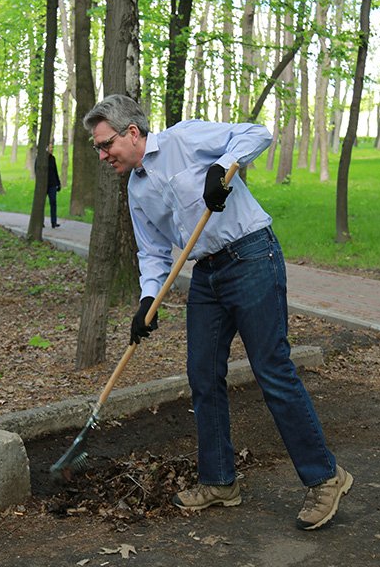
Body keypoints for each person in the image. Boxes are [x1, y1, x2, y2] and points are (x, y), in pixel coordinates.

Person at [83, 94, 352, 531]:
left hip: (251, 257)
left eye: (105, 144)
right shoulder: (136, 188)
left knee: (272, 369)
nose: (101, 154)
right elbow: (151, 253)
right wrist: (147, 300)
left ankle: (325, 476)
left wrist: (219, 167)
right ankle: (220, 480)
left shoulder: (185, 139)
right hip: (206, 275)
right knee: (203, 375)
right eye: (98, 148)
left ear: (132, 132)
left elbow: (257, 133)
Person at [46, 142, 61, 228]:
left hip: (52, 184)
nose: (51, 150)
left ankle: (54, 222)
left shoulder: (53, 159)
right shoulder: (40, 158)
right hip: (43, 185)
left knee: (53, 202)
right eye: (50, 148)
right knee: (41, 204)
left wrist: (58, 183)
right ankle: (40, 222)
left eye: (52, 148)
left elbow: (55, 171)